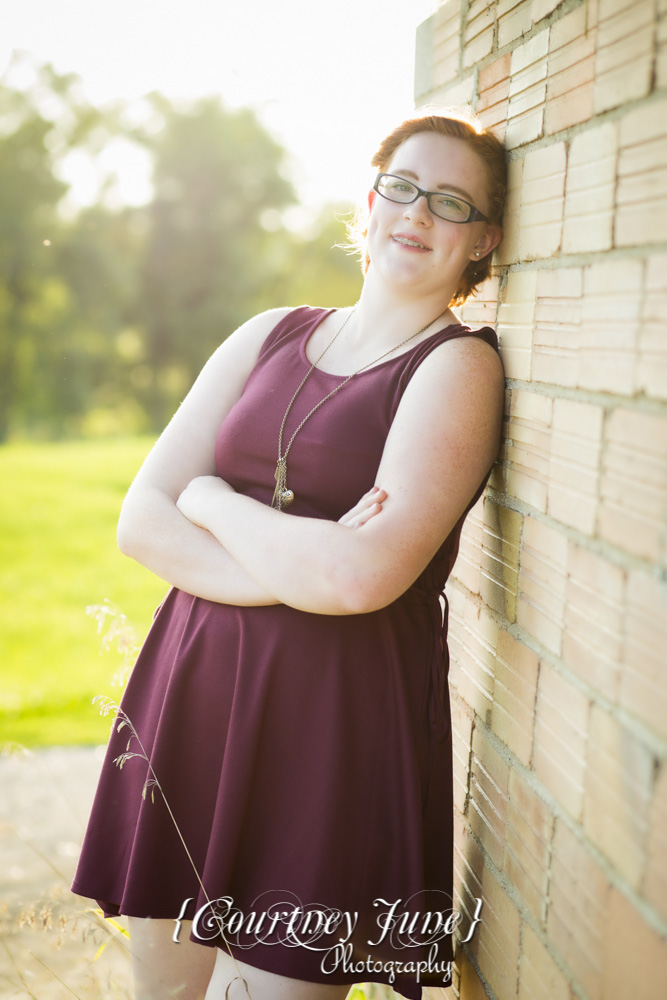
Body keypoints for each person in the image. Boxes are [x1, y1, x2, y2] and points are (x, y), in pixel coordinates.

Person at [71, 109, 506, 1000]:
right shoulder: (268, 333)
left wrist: (212, 501)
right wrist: (290, 568)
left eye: (451, 203)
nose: (417, 213)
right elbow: (143, 519)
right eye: (403, 186)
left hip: (331, 721)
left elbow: (359, 577)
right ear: (370, 199)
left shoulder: (456, 370)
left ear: (483, 241)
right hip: (194, 699)